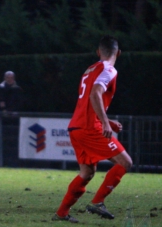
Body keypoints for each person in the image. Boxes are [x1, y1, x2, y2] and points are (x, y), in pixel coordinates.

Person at [52, 35, 132, 223]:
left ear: (98, 52)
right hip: (89, 127)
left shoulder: (91, 69)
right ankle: (98, 201)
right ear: (118, 53)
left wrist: (107, 120)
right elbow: (95, 94)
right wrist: (104, 123)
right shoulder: (109, 69)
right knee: (125, 162)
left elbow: (89, 99)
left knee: (86, 173)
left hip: (76, 126)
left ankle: (61, 213)